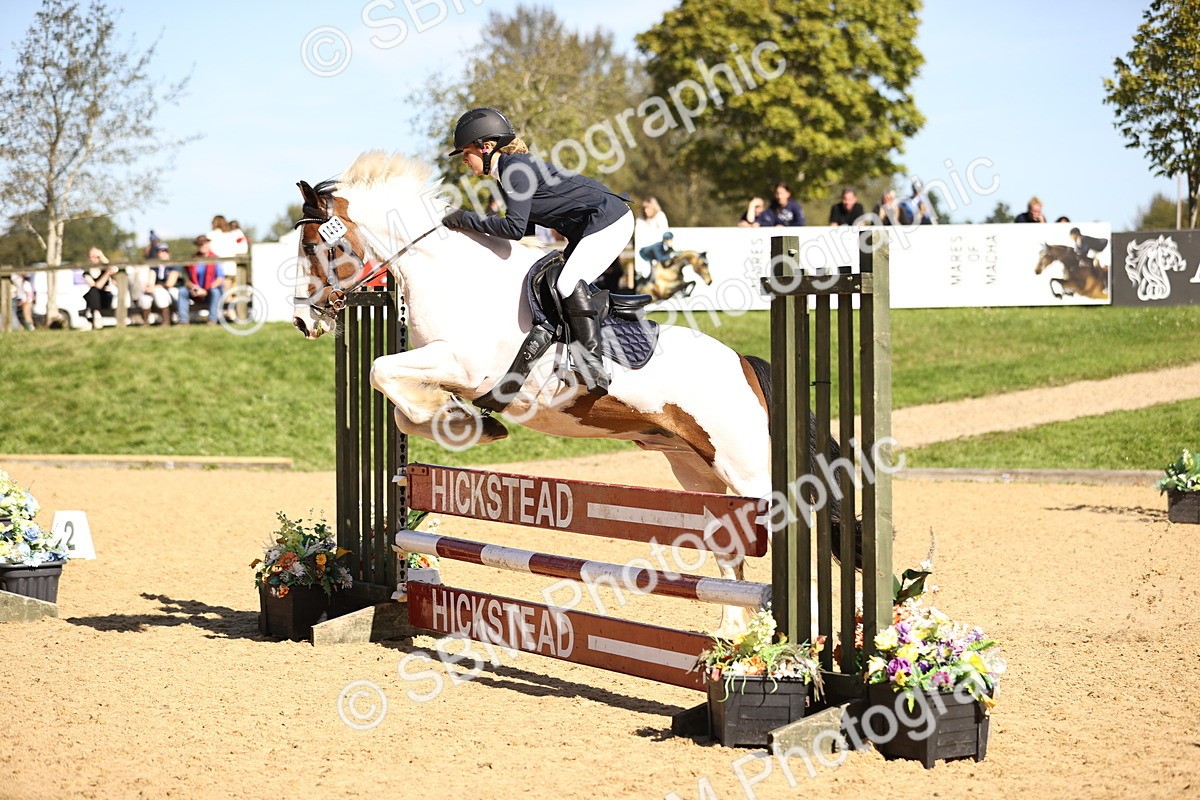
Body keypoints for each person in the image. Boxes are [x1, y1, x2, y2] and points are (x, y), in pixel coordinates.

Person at [441, 107, 633, 393]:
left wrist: (464, 219)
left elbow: (515, 228)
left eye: (466, 153)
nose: (465, 161)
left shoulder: (515, 171)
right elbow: (526, 230)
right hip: (593, 226)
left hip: (609, 222)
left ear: (486, 147)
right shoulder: (509, 171)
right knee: (549, 282)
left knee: (567, 283)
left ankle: (591, 366)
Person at [186, 236, 227, 324]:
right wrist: (193, 287)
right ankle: (183, 321)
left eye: (204, 243)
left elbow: (220, 278)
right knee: (182, 291)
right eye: (200, 244)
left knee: (215, 291)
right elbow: (187, 279)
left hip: (211, 290)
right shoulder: (193, 259)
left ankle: (212, 319)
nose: (202, 246)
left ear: (208, 244)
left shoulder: (215, 258)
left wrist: (206, 290)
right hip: (197, 290)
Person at [83, 247, 117, 330]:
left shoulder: (104, 268)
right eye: (92, 256)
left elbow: (114, 268)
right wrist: (107, 274)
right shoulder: (86, 273)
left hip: (106, 298)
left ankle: (94, 316)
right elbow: (97, 286)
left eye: (96, 256)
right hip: (95, 298)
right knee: (93, 291)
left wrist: (102, 256)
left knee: (93, 293)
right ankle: (96, 314)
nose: (94, 258)